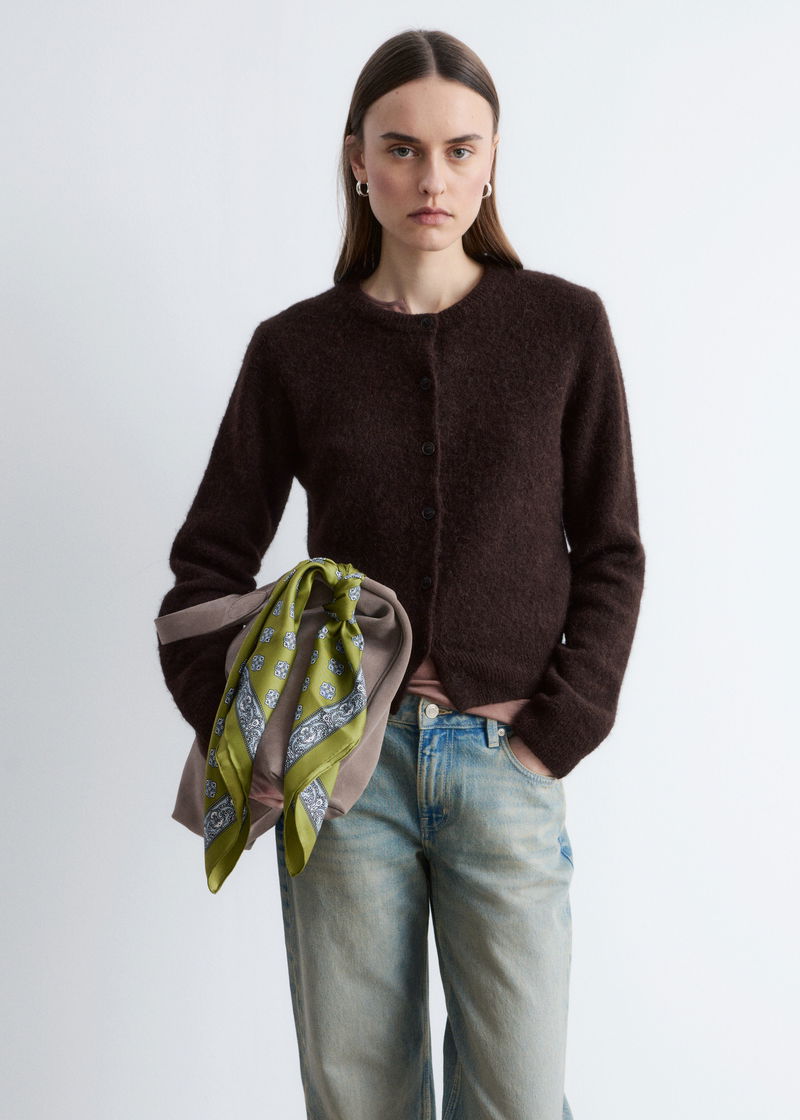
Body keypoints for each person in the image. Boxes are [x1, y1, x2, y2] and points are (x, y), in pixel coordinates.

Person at [157, 28, 646, 1120]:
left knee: (519, 1100)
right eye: (402, 148)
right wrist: (248, 731)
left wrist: (557, 728)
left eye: (460, 150)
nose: (433, 179)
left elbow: (611, 549)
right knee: (360, 1102)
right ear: (356, 160)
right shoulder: (295, 349)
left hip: (506, 765)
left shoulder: (563, 328)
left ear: (491, 161)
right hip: (343, 778)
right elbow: (204, 567)